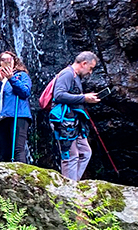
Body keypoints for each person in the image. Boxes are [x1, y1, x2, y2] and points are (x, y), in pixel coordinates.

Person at [50, 51, 100, 181]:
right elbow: (59, 95)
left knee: (85, 152)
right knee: (71, 155)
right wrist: (83, 98)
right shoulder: (67, 74)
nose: (90, 72)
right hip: (65, 123)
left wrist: (86, 99)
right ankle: (69, 189)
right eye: (90, 68)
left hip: (75, 123)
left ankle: (73, 183)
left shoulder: (76, 77)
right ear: (84, 63)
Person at [0, 51, 32, 163]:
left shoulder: (21, 76)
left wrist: (11, 78)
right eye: (3, 60)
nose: (6, 62)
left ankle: (21, 177)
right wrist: (0, 82)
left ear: (14, 62)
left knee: (18, 149)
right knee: (5, 151)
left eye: (9, 60)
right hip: (2, 118)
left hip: (18, 116)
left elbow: (25, 92)